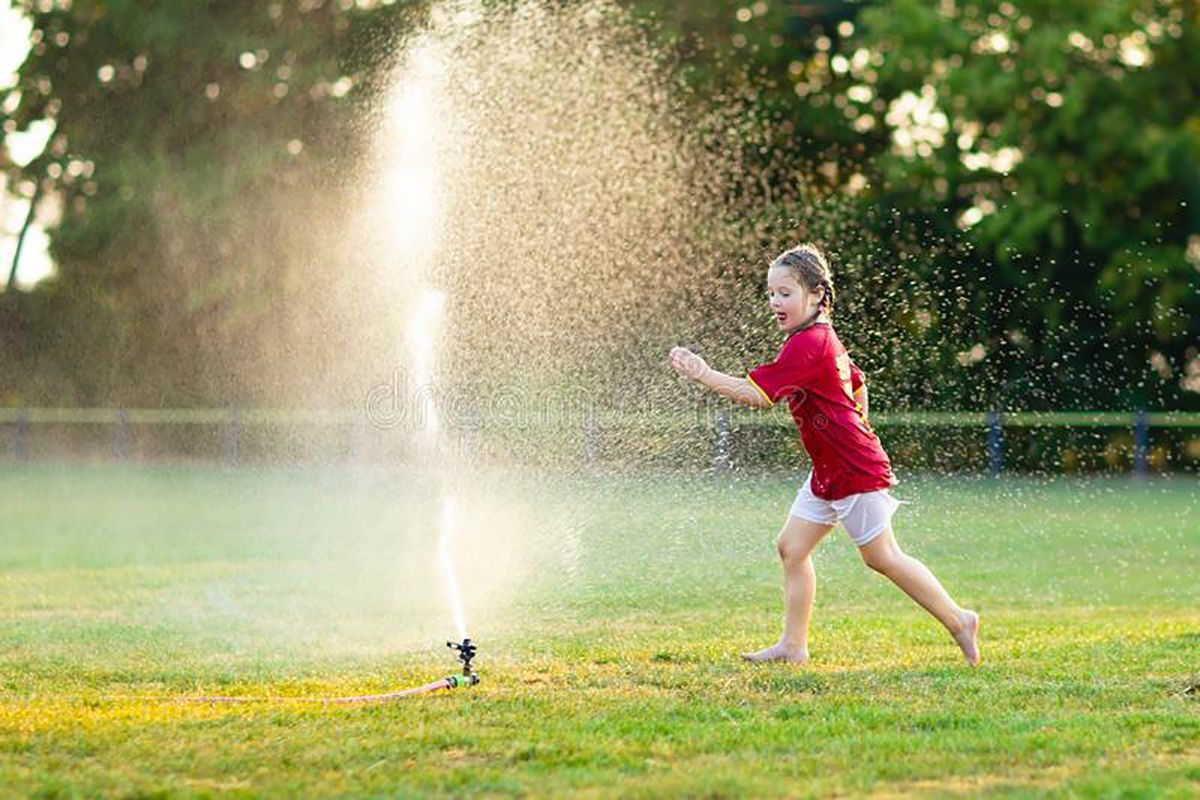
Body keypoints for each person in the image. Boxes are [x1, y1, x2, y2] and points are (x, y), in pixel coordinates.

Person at [669, 243, 980, 666]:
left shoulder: (807, 344)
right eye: (771, 294)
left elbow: (758, 397)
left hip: (852, 471)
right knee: (792, 548)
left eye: (785, 293)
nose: (775, 303)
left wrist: (703, 374)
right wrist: (856, 430)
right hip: (830, 470)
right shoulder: (821, 337)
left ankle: (960, 619)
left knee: (882, 557)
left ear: (816, 294)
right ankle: (793, 647)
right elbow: (858, 384)